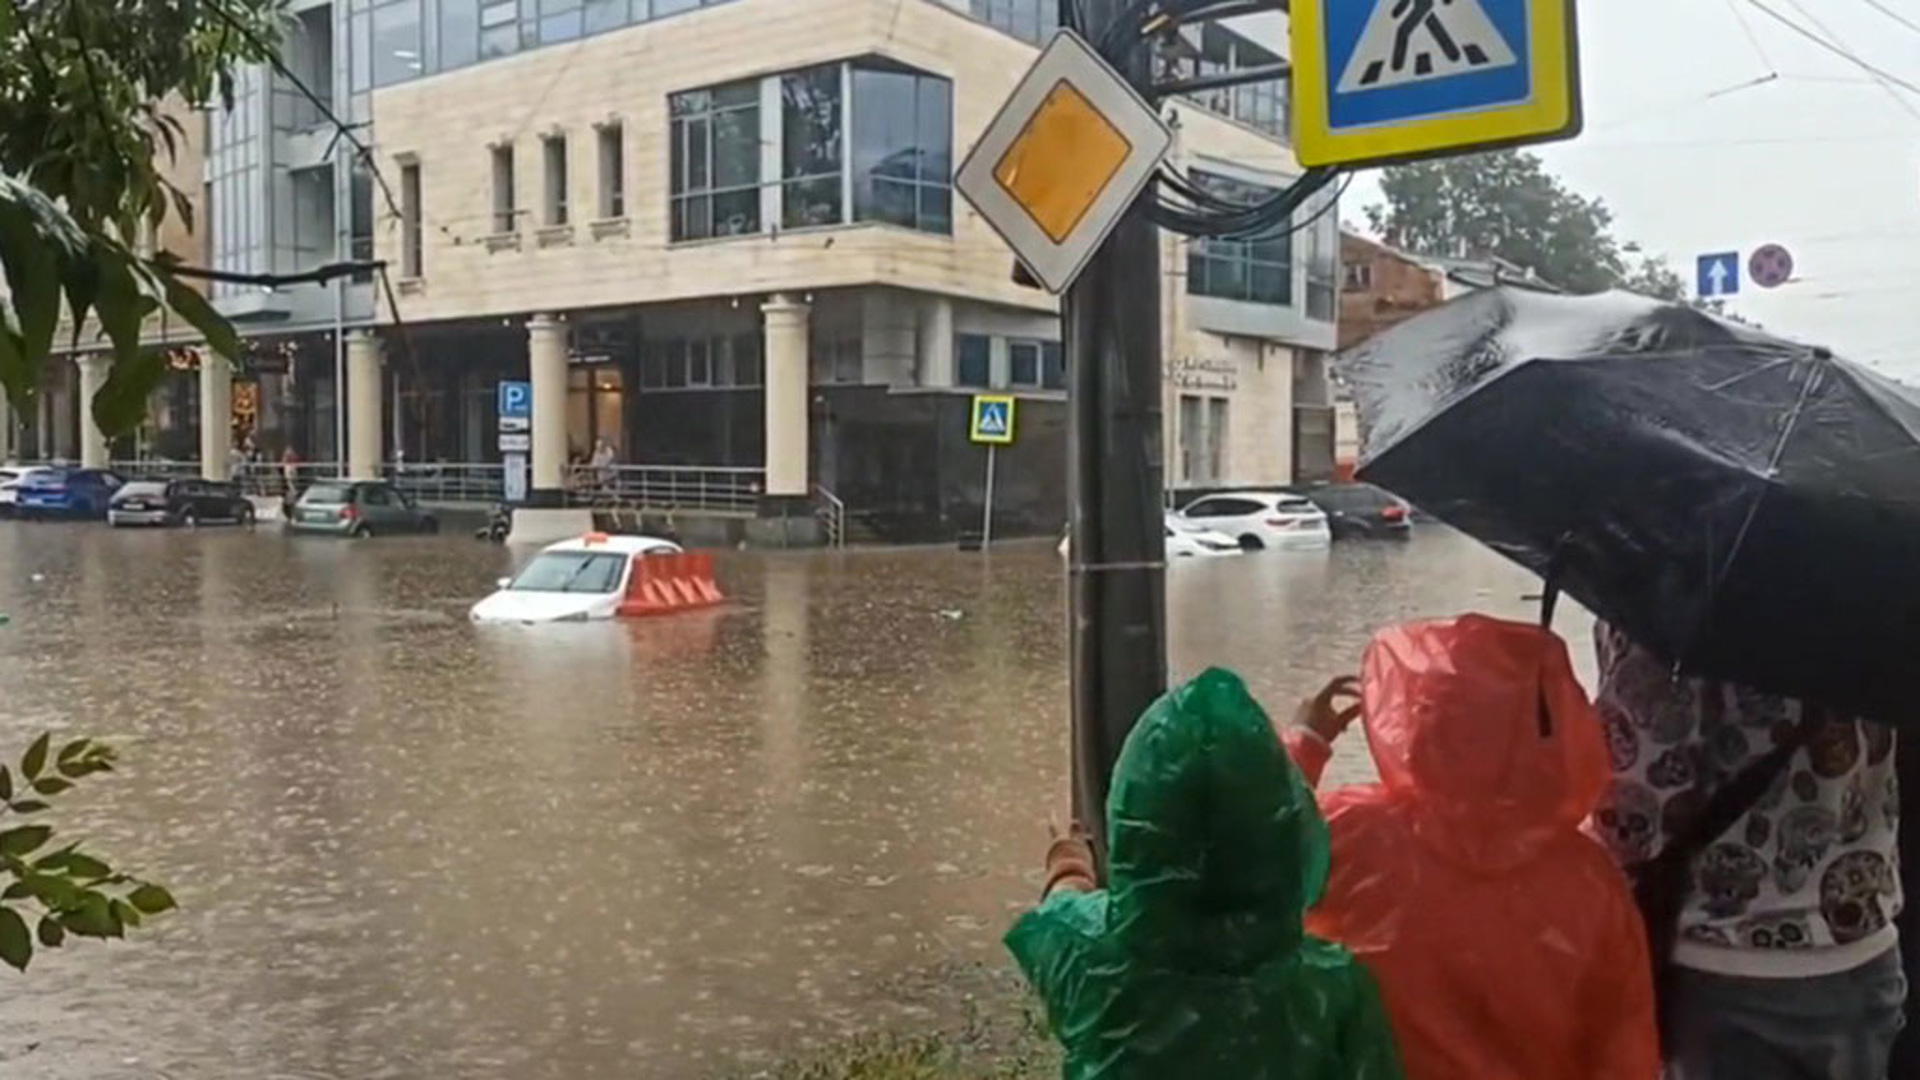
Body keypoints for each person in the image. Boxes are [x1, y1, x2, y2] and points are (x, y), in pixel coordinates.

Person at [1284, 615, 1659, 1080]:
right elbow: (1624, 1053)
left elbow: (1236, 855)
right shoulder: (1592, 882)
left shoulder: (1348, 833)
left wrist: (1305, 744)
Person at [1006, 668, 1404, 1080]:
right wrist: (1305, 744)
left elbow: (1060, 902)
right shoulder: (1330, 989)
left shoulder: (1085, 958)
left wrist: (1067, 857)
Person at [1587, 623, 1904, 1080]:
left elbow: (1635, 815)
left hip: (1723, 966)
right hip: (1863, 954)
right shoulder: (1875, 604)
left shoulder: (1678, 606)